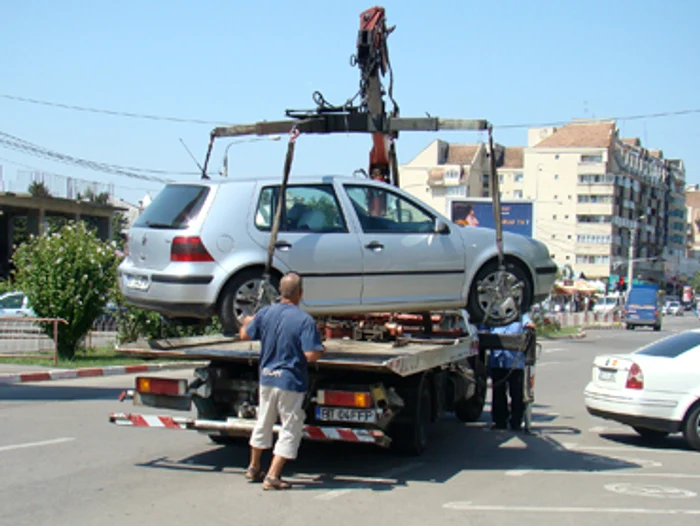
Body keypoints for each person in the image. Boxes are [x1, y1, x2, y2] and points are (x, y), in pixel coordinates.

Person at [239, 272, 325, 490]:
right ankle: (273, 476)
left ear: (280, 291)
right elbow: (311, 354)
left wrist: (247, 321)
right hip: (290, 381)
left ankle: (253, 467)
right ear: (300, 294)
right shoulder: (304, 320)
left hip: (266, 377)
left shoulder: (265, 313)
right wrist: (321, 349)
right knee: (290, 426)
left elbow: (244, 335)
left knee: (263, 422)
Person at [487, 312, 535, 431]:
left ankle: (516, 422)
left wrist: (529, 325)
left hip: (515, 362)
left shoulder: (519, 315)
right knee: (498, 393)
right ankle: (499, 421)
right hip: (498, 360)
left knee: (516, 394)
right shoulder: (493, 316)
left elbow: (529, 324)